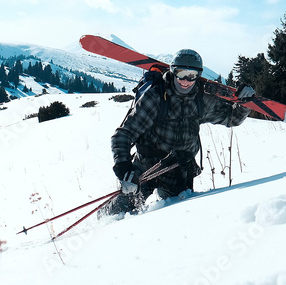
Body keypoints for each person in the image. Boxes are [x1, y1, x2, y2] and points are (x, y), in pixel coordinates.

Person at [100, 48, 255, 216]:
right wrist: (124, 168)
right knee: (122, 210)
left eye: (192, 75)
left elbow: (231, 118)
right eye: (181, 73)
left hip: (179, 171)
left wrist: (243, 105)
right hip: (146, 166)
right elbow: (123, 134)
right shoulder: (155, 97)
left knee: (177, 217)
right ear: (173, 72)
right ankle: (103, 218)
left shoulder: (201, 100)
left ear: (199, 75)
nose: (186, 80)